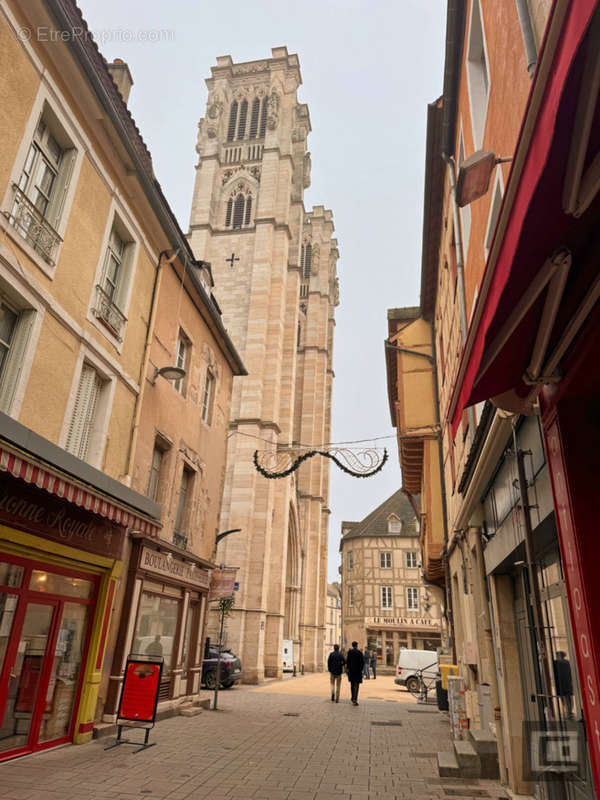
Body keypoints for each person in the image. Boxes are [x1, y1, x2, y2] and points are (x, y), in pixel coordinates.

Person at [553, 651, 574, 719]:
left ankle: (569, 711)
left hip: (564, 682)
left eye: (558, 655)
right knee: (565, 697)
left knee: (567, 697)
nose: (557, 656)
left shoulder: (560, 662)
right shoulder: (556, 662)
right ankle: (567, 711)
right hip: (562, 682)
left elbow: (569, 672)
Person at [346, 641, 364, 705]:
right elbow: (362, 663)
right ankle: (355, 699)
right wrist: (361, 670)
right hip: (358, 671)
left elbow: (347, 661)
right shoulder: (359, 653)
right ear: (356, 646)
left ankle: (352, 696)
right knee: (357, 685)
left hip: (351, 671)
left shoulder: (350, 652)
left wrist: (347, 669)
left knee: (352, 685)